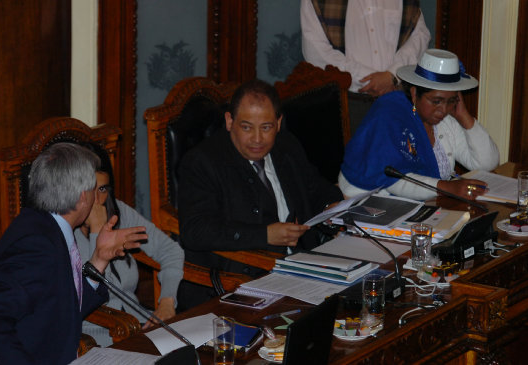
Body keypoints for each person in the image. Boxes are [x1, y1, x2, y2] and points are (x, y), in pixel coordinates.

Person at [177, 79, 343, 308]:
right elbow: (195, 231)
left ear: (278, 123)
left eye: (266, 127)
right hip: (238, 280)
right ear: (229, 121)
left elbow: (314, 186)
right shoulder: (202, 162)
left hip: (302, 267)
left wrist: (330, 206)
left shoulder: (286, 145)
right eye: (246, 127)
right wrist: (264, 234)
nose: (257, 139)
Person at [0, 143, 147, 365]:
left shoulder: (43, 225)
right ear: (82, 198)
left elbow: (60, 308)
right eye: (93, 189)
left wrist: (99, 259)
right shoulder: (35, 246)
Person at [339, 49, 500, 201]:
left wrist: (464, 116)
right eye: (436, 101)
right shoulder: (390, 115)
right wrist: (447, 187)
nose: (443, 110)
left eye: (451, 101)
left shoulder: (445, 121)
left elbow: (487, 163)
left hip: (422, 207)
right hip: (370, 205)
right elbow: (394, 177)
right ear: (415, 94)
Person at [76, 143, 184, 347]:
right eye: (90, 189)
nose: (97, 201)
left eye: (102, 189)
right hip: (96, 338)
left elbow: (171, 251)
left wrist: (167, 301)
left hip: (139, 325)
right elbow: (98, 295)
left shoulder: (118, 211)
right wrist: (98, 234)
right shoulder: (64, 228)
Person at [300, 0, 431, 132]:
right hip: (347, 104)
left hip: (397, 98)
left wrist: (393, 74)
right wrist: (369, 80)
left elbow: (420, 36)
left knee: (400, 151)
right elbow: (315, 52)